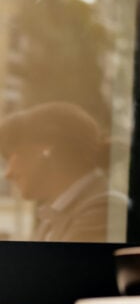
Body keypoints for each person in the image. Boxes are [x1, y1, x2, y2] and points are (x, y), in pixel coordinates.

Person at [0, 102, 128, 242]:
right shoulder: (53, 216)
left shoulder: (101, 211)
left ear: (45, 150)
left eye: (12, 155)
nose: (8, 173)